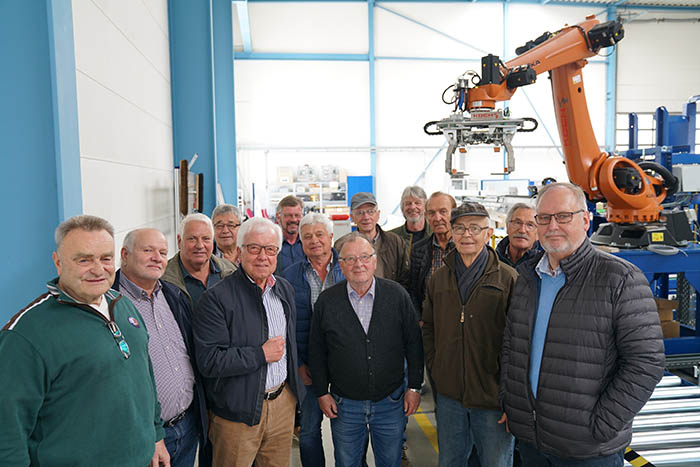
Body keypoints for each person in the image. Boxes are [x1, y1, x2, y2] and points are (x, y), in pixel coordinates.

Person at [500, 182, 665, 466]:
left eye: (564, 216)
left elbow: (646, 362)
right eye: (544, 218)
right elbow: (512, 345)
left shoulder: (619, 278)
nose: (553, 226)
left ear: (586, 220)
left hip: (587, 448)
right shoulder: (527, 277)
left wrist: (602, 424)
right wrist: (512, 402)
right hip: (531, 440)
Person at [0, 215, 167, 466]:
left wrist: (156, 436)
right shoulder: (25, 335)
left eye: (105, 258)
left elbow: (145, 378)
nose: (98, 269)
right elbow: (7, 430)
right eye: (84, 260)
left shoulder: (124, 307)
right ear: (58, 263)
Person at [194, 217, 303, 467]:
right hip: (237, 413)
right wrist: (260, 354)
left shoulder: (283, 289)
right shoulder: (216, 299)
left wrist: (294, 398)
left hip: (282, 404)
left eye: (270, 249)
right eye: (254, 248)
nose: (262, 256)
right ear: (240, 252)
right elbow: (209, 361)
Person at [308, 232, 423, 467]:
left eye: (364, 257)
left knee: (390, 461)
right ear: (341, 265)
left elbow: (414, 344)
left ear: (375, 261)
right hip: (344, 403)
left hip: (390, 401)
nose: (358, 264)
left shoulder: (397, 295)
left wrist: (414, 387)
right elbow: (317, 351)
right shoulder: (327, 301)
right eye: (349, 259)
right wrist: (322, 392)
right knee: (347, 462)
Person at [422, 202, 517, 467]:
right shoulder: (439, 279)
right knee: (450, 460)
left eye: (475, 228)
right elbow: (428, 327)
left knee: (495, 462)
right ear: (451, 233)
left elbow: (520, 341)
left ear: (489, 233)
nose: (467, 235)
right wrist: (437, 367)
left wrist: (510, 395)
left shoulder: (507, 279)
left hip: (492, 396)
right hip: (450, 395)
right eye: (460, 228)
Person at [114, 228, 209, 467]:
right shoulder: (110, 304)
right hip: (141, 435)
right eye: (148, 250)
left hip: (186, 426)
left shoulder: (173, 295)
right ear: (125, 255)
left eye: (163, 252)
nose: (157, 257)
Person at [280, 213, 345, 467]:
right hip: (306, 365)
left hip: (345, 366)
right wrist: (298, 364)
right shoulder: (289, 275)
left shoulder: (348, 269)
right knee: (308, 431)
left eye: (320, 235)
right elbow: (286, 325)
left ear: (331, 237)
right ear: (301, 241)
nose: (314, 241)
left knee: (346, 432)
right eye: (307, 236)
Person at [163, 213, 236, 308]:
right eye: (192, 239)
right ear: (179, 241)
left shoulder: (231, 271)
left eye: (206, 239)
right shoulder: (163, 279)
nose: (200, 246)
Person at [407, 191, 457, 317]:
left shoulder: (465, 248)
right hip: (429, 322)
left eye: (443, 212)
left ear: (454, 214)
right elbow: (413, 290)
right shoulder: (418, 249)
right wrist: (419, 320)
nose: (437, 218)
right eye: (431, 213)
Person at [344, 192, 408, 284]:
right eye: (360, 213)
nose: (366, 217)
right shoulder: (343, 246)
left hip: (389, 297)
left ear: (378, 214)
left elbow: (405, 277)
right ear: (352, 217)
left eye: (370, 211)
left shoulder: (395, 242)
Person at [495, 203, 541, 268]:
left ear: (538, 234)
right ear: (507, 227)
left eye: (530, 225)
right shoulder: (490, 262)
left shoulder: (544, 267)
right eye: (517, 223)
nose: (522, 230)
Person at [389, 186, 431, 256]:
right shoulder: (391, 238)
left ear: (425, 207)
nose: (412, 207)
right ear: (402, 208)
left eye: (417, 203)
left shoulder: (435, 235)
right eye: (408, 203)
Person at [275, 195, 305, 273]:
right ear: (278, 217)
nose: (294, 219)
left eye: (297, 215)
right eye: (288, 216)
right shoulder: (271, 245)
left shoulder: (309, 243)